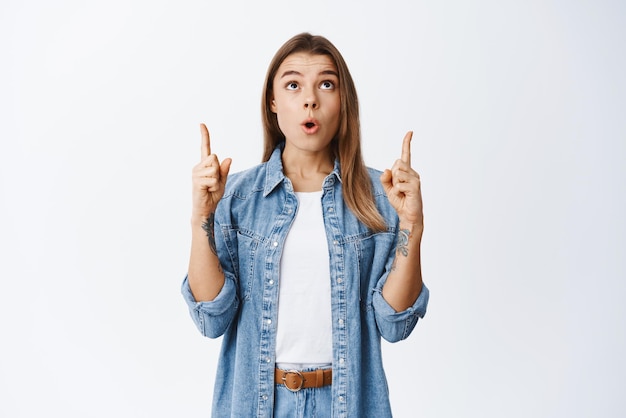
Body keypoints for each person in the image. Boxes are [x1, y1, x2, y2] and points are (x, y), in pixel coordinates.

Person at [181, 32, 429, 418]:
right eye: (293, 84)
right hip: (259, 404)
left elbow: (395, 323)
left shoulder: (380, 197)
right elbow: (211, 318)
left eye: (325, 84)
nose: (310, 99)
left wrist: (411, 224)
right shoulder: (237, 198)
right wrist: (202, 217)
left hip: (347, 404)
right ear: (273, 102)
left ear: (342, 101)